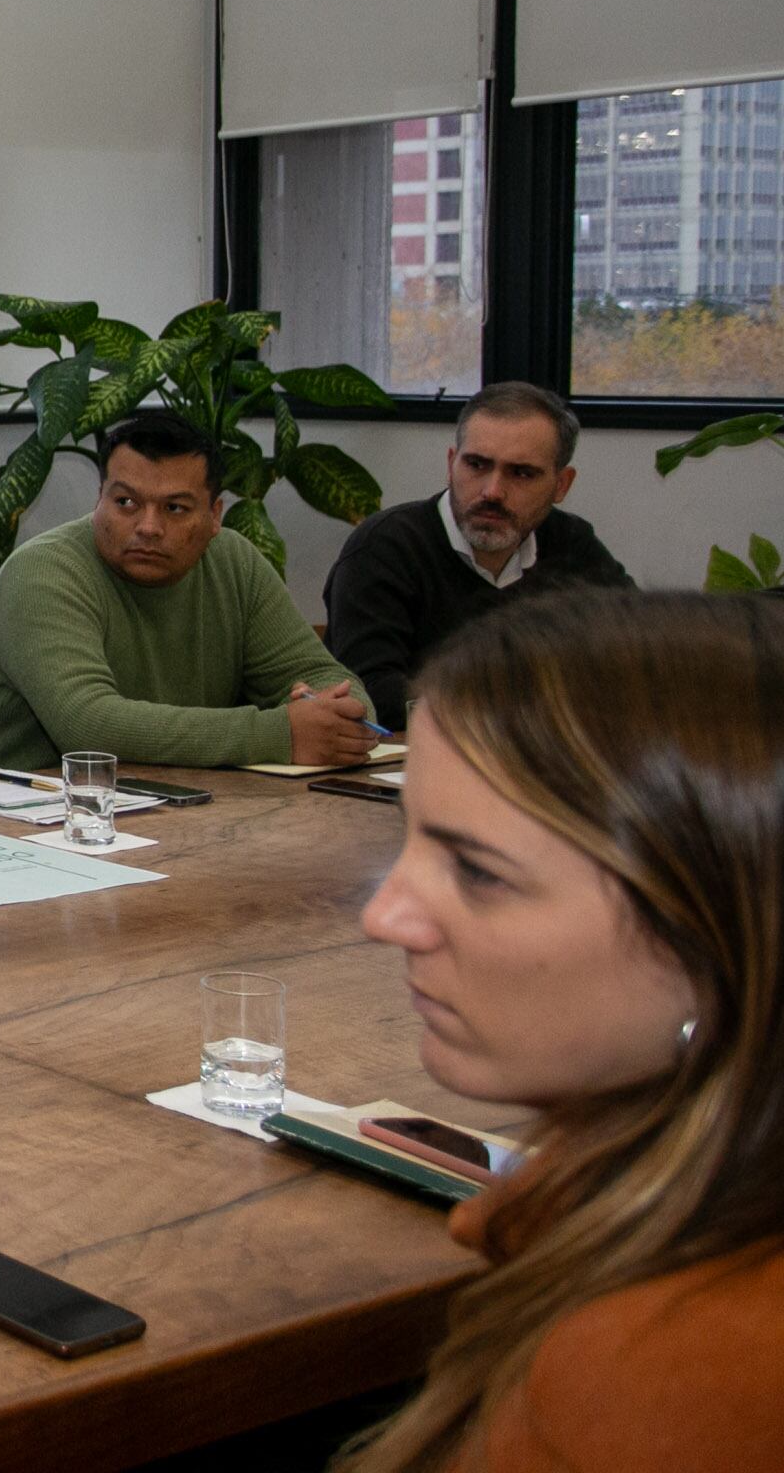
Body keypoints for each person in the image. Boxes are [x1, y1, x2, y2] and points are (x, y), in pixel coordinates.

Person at [345, 590, 782, 1471]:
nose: (384, 915)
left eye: (478, 870)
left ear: (717, 930)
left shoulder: (667, 1379)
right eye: (413, 840)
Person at [0, 411, 380, 771]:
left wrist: (341, 715)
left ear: (213, 516)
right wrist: (279, 734)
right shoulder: (41, 573)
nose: (148, 527)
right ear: (99, 499)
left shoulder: (235, 563)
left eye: (174, 508)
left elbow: (328, 679)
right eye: (126, 503)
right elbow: (89, 725)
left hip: (160, 810)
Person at [325, 383, 635, 730]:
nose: (492, 491)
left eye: (521, 473)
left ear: (561, 485)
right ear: (450, 463)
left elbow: (637, 657)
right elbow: (371, 694)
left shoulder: (572, 545)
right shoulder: (384, 548)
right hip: (412, 763)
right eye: (476, 465)